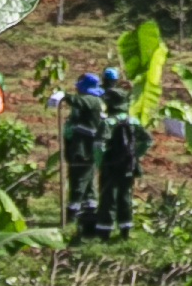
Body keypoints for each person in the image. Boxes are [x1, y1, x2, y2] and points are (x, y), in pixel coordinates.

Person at [99, 86, 151, 239]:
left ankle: (104, 230)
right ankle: (125, 230)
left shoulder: (108, 122)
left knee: (108, 197)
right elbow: (147, 140)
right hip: (128, 166)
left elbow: (99, 146)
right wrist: (136, 154)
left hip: (110, 166)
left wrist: (100, 162)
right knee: (125, 196)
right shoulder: (133, 121)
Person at [62, 73, 108, 235]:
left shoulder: (91, 100)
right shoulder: (92, 102)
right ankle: (89, 212)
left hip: (84, 149)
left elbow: (76, 100)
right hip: (81, 148)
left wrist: (63, 95)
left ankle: (72, 214)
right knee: (88, 184)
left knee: (78, 181)